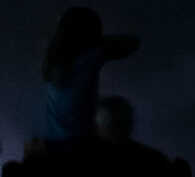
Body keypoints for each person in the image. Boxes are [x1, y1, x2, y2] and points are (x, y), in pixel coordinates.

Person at [38, 7, 138, 144]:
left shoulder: (51, 57)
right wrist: (96, 41)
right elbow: (132, 43)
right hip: (79, 139)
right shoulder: (89, 57)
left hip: (52, 138)